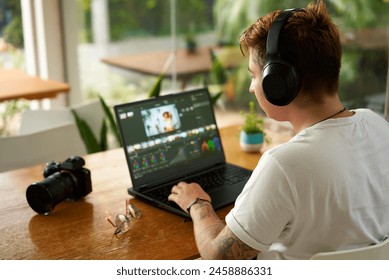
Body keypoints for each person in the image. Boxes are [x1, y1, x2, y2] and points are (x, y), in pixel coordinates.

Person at [168, 0, 389, 259]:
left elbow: (219, 256)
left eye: (254, 74)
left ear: (279, 82)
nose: (252, 87)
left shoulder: (284, 165)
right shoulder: (378, 125)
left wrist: (199, 205)